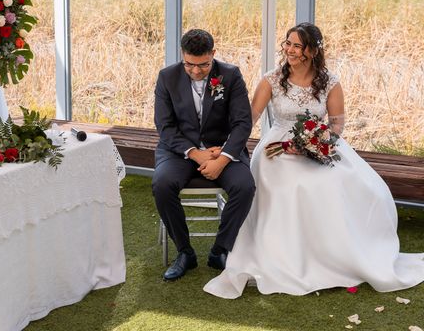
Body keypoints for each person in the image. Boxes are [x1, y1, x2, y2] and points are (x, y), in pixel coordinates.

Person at [204, 22, 424, 298]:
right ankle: (287, 255)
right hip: (277, 148)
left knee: (345, 183)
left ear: (312, 51)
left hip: (318, 144)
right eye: (288, 43)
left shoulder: (330, 82)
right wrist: (225, 147)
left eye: (297, 45)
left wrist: (312, 143)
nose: (290, 50)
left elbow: (336, 127)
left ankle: (335, 253)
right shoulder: (271, 79)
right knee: (292, 185)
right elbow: (248, 120)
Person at [152, 29, 255, 281]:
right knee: (162, 184)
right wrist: (195, 154)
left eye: (203, 65)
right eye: (190, 64)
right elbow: (164, 126)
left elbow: (243, 123)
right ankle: (184, 252)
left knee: (245, 186)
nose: (196, 71)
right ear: (182, 56)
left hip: (222, 150)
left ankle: (220, 250)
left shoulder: (231, 75)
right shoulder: (167, 77)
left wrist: (222, 159)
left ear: (213, 54)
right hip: (179, 151)